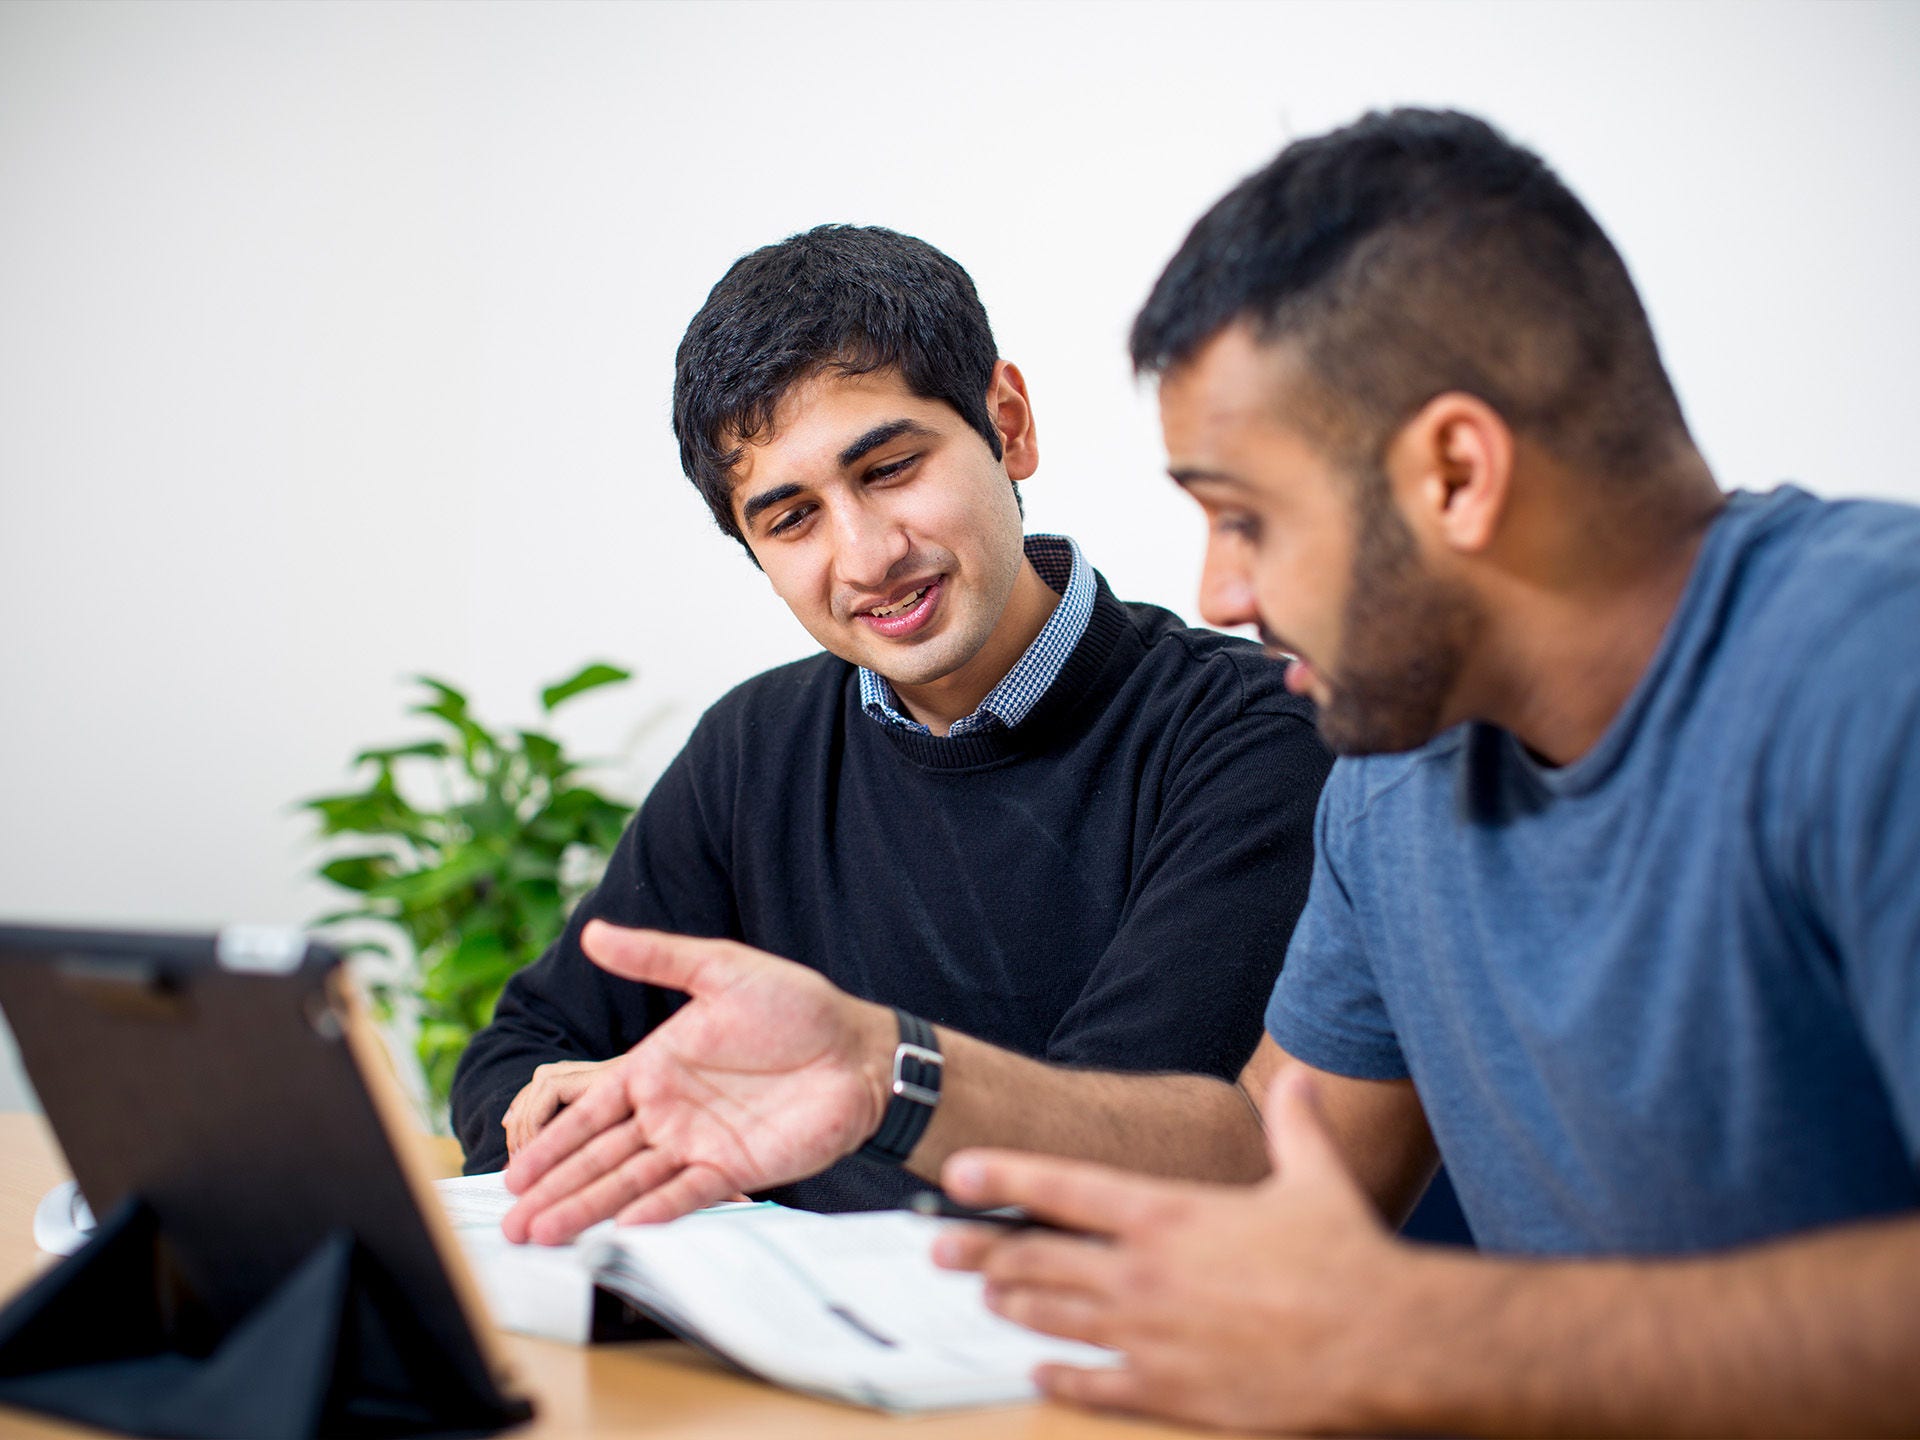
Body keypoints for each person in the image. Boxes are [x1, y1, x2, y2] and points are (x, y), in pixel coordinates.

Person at [926, 109, 1920, 1435]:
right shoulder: (1392, 784)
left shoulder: (1877, 673)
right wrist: (880, 1070)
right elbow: (1276, 1178)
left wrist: (1441, 1337)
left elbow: (1396, 1328)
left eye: (1245, 518)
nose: (1220, 595)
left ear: (1456, 473)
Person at [452, 224, 1332, 1221]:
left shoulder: (1249, 735)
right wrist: (601, 1121)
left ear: (1007, 425)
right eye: (792, 519)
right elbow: (520, 1055)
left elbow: (1118, 1152)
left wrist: (790, 1127)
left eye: (890, 469)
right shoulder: (755, 749)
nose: (867, 557)